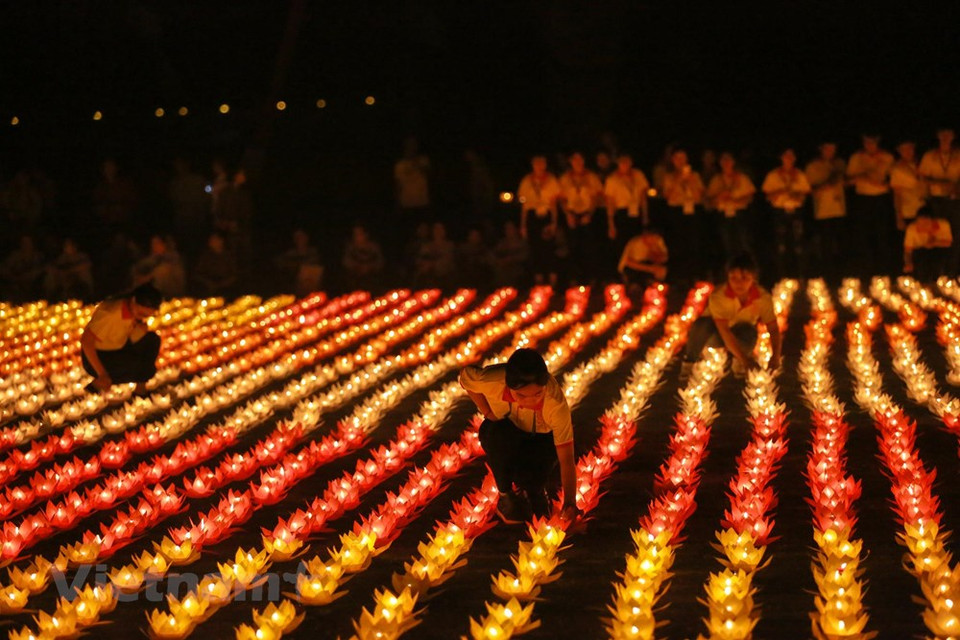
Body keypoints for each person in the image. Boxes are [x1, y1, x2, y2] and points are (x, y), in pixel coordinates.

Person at [459, 348, 581, 524]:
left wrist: (570, 502)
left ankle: (534, 491)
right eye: (521, 395)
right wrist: (486, 410)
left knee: (533, 485)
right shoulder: (493, 380)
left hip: (542, 441)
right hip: (508, 433)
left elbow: (566, 458)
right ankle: (505, 495)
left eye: (538, 394)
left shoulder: (555, 404)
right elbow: (466, 377)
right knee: (492, 432)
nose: (530, 401)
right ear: (508, 386)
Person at [681, 253, 781, 380]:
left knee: (749, 331)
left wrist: (775, 357)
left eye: (744, 278)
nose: (738, 283)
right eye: (733, 278)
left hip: (741, 334)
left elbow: (773, 328)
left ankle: (738, 361)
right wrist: (746, 361)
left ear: (753, 278)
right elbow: (724, 331)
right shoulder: (719, 296)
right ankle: (689, 363)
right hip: (715, 335)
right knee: (701, 325)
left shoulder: (762, 297)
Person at [81, 282, 164, 395]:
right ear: (134, 300)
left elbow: (125, 334)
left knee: (152, 340)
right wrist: (102, 373)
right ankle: (97, 384)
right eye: (141, 314)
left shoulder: (131, 310)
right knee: (140, 365)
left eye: (147, 316)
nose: (143, 318)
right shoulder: (111, 314)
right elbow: (86, 341)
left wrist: (139, 329)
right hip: (101, 356)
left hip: (118, 346)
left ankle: (140, 389)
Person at [846, 133, 895, 276]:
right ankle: (865, 269)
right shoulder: (856, 157)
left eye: (872, 141)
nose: (869, 145)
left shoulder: (887, 157)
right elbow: (848, 180)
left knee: (882, 233)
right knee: (863, 234)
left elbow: (893, 179)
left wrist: (881, 184)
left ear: (878, 141)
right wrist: (863, 177)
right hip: (863, 199)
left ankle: (884, 270)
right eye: (866, 141)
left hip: (881, 198)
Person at [762, 148, 811, 277]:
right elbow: (767, 194)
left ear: (794, 158)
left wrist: (795, 194)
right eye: (786, 156)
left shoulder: (800, 175)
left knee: (798, 242)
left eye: (791, 156)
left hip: (796, 211)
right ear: (781, 158)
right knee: (781, 243)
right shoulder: (773, 175)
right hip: (780, 211)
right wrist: (781, 192)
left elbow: (806, 192)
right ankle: (782, 274)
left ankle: (800, 274)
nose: (789, 158)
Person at [919, 127, 960, 271]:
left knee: (955, 236)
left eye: (948, 134)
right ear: (937, 136)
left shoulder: (958, 155)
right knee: (937, 235)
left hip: (955, 200)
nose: (945, 137)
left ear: (953, 136)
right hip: (936, 201)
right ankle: (937, 270)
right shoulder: (929, 156)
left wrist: (955, 187)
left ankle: (953, 271)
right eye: (942, 134)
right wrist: (940, 184)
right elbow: (923, 178)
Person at [559, 151, 604, 283]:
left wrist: (590, 214)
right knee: (573, 246)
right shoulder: (565, 178)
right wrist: (567, 215)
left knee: (589, 247)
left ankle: (591, 277)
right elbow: (562, 199)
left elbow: (596, 196)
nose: (577, 162)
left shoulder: (591, 177)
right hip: (572, 214)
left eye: (580, 159)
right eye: (575, 159)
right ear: (570, 161)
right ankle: (575, 277)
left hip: (588, 214)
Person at [662, 148, 706, 280]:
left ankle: (694, 274)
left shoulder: (695, 176)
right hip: (676, 211)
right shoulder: (669, 177)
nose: (680, 161)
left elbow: (699, 197)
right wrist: (679, 181)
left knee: (693, 242)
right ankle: (679, 275)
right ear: (673, 161)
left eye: (683, 158)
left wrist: (690, 181)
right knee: (677, 243)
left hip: (692, 210)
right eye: (677, 158)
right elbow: (668, 196)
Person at [805, 141, 847, 278]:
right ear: (821, 149)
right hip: (823, 211)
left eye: (833, 149)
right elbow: (810, 189)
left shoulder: (839, 164)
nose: (830, 152)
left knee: (840, 241)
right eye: (827, 149)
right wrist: (828, 184)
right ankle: (827, 273)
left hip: (839, 208)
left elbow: (845, 181)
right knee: (825, 243)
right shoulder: (813, 166)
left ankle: (842, 271)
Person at [517, 155, 561, 284]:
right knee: (535, 248)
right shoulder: (526, 181)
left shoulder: (551, 180)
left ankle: (552, 280)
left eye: (542, 163)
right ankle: (538, 280)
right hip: (532, 215)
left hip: (546, 214)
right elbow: (524, 206)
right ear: (532, 165)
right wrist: (523, 225)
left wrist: (554, 222)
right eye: (537, 163)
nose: (539, 166)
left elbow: (553, 203)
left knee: (549, 247)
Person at [706, 152, 756, 261]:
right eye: (723, 160)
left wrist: (736, 200)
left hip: (740, 214)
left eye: (728, 160)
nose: (726, 163)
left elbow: (750, 196)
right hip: (723, 215)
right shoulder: (716, 180)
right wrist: (719, 197)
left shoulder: (742, 178)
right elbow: (709, 199)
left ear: (733, 162)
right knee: (726, 245)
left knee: (743, 242)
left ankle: (747, 268)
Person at [604, 153, 650, 260]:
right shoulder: (612, 179)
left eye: (627, 161)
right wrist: (611, 224)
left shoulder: (638, 175)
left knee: (639, 243)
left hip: (636, 211)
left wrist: (645, 215)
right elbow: (610, 203)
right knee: (624, 243)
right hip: (622, 213)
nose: (624, 164)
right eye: (622, 161)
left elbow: (643, 197)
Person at [903, 207, 952, 281]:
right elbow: (908, 251)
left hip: (939, 251)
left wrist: (934, 243)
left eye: (926, 223)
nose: (923, 226)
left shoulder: (943, 225)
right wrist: (908, 263)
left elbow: (948, 243)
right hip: (920, 253)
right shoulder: (912, 229)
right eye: (920, 223)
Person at [617, 228, 668, 293]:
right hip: (631, 267)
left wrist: (655, 250)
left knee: (662, 269)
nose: (654, 240)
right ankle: (634, 285)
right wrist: (650, 269)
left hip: (647, 264)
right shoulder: (636, 243)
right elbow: (628, 263)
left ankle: (653, 284)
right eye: (651, 238)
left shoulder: (658, 240)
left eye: (656, 238)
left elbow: (664, 258)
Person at [341, 223, 385, 292]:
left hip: (372, 281)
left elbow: (380, 263)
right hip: (355, 282)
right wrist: (358, 267)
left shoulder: (373, 248)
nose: (357, 237)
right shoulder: (350, 248)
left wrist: (370, 267)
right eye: (355, 234)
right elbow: (346, 263)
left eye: (360, 234)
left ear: (366, 234)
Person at [192, 232, 238, 296]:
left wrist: (223, 284)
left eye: (214, 240)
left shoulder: (228, 256)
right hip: (208, 286)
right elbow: (198, 273)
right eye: (210, 240)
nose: (211, 242)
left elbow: (234, 274)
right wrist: (209, 283)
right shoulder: (206, 256)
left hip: (226, 287)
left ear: (221, 241)